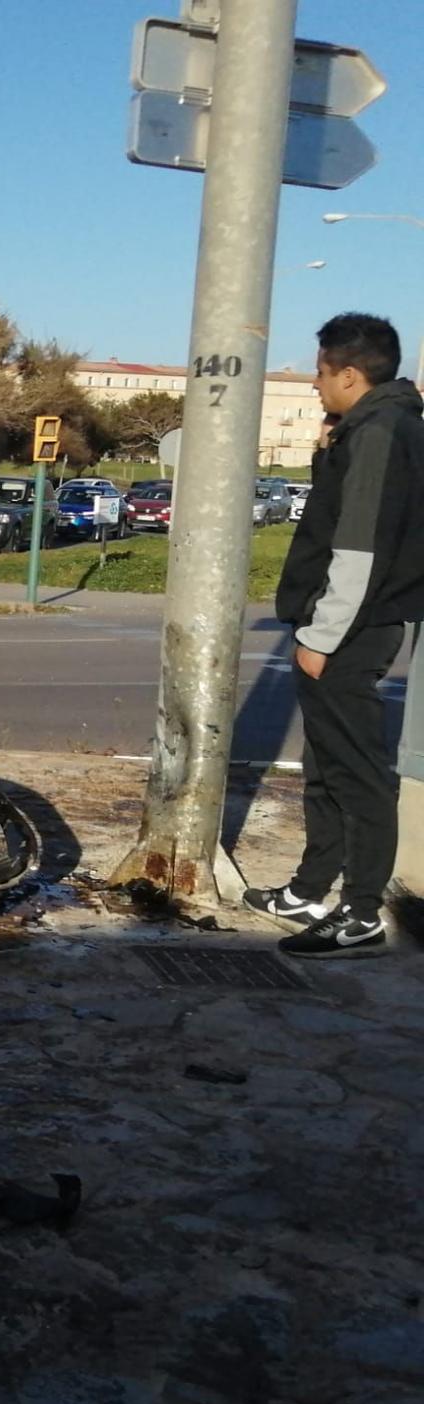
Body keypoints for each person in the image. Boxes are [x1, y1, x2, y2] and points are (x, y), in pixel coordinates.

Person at [247, 312, 424, 959]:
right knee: (325, 766)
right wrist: (328, 453)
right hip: (347, 623)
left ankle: (362, 913)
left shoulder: (380, 433)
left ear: (350, 373)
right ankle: (308, 889)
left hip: (351, 628)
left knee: (357, 773)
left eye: (321, 373)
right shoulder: (369, 429)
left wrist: (321, 635)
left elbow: (358, 549)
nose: (315, 384)